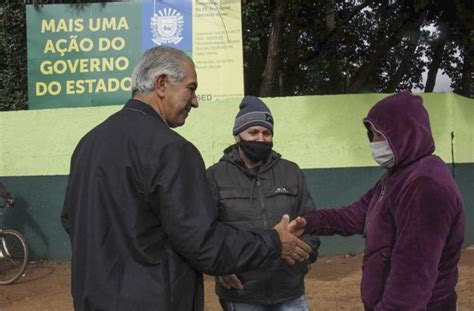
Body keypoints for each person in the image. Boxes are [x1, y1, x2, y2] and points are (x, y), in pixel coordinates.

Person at [60, 46, 310, 311]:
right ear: (162, 83)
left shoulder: (88, 143)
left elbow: (70, 220)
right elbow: (203, 244)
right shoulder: (171, 149)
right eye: (191, 88)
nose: (195, 101)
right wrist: (272, 241)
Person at [290, 91, 465, 311]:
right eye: (371, 135)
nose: (373, 142)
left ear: (404, 133)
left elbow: (411, 278)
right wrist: (310, 222)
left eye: (379, 135)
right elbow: (356, 215)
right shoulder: (398, 177)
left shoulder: (424, 185)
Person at [206, 96, 320, 310]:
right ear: (237, 135)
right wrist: (220, 268)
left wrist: (306, 255)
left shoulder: (291, 172)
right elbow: (207, 231)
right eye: (253, 132)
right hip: (242, 292)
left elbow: (311, 222)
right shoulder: (215, 177)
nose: (261, 138)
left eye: (267, 133)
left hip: (289, 290)